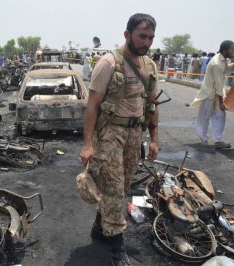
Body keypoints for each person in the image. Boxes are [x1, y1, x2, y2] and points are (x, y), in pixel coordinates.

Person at [80, 13, 159, 266]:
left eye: (150, 38)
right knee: (114, 190)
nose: (146, 42)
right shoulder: (109, 63)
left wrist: (154, 139)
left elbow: (152, 103)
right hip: (111, 133)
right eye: (142, 36)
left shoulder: (151, 65)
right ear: (127, 35)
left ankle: (99, 228)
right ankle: (116, 246)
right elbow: (92, 106)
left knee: (124, 185)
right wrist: (88, 144)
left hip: (135, 133)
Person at [190, 40, 234, 149]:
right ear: (224, 50)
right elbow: (219, 85)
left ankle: (218, 140)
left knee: (220, 115)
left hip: (216, 93)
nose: (233, 51)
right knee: (205, 117)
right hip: (209, 94)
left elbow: (227, 68)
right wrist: (221, 103)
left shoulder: (222, 60)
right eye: (231, 49)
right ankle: (203, 139)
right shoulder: (217, 63)